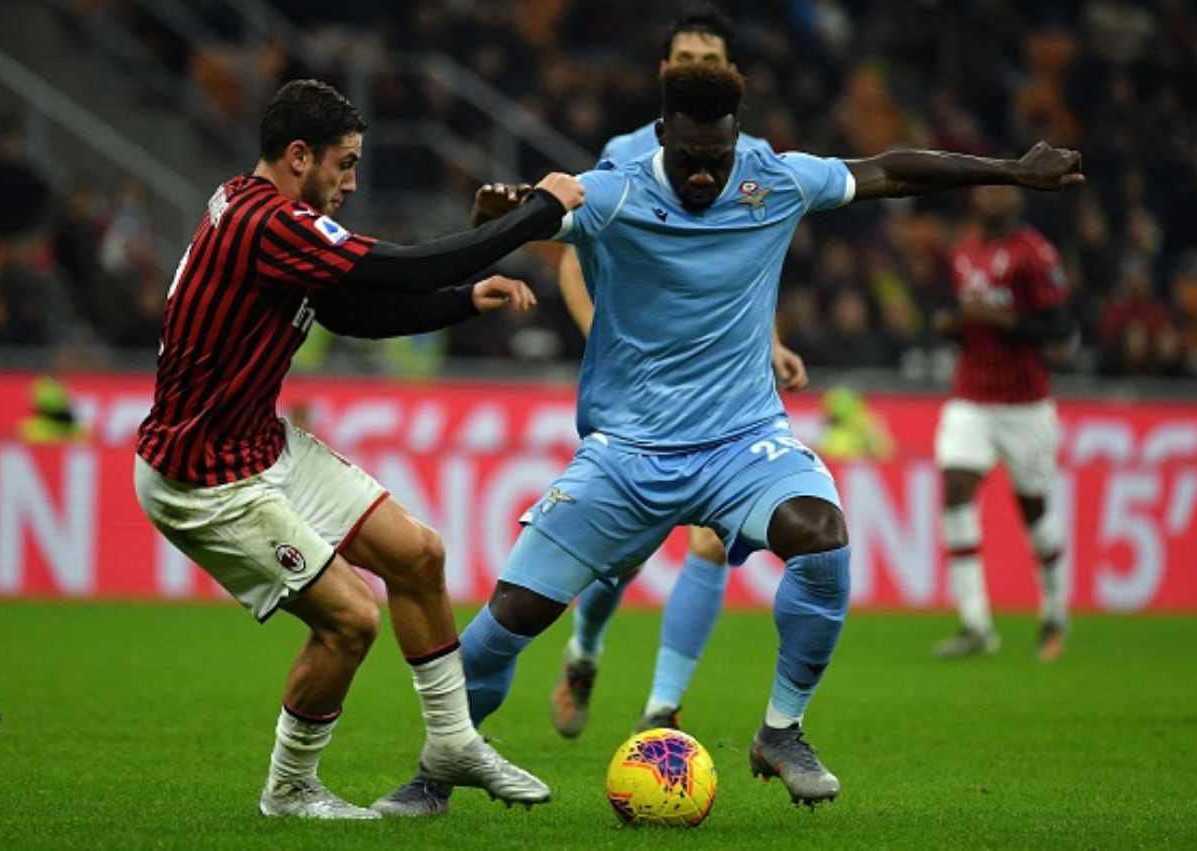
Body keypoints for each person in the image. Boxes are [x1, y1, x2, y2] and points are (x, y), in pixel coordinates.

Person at [382, 63, 1082, 814]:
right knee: (505, 624)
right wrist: (503, 214)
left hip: (741, 444)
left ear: (735, 138)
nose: (704, 175)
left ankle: (782, 729)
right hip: (626, 454)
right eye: (688, 159)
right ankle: (435, 772)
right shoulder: (615, 191)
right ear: (661, 136)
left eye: (717, 158)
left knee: (823, 535)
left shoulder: (773, 178)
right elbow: (539, 217)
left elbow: (891, 171)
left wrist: (1011, 170)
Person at [132, 79, 583, 820]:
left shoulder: (265, 215)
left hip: (256, 442)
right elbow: (401, 267)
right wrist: (543, 210)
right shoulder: (266, 223)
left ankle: (452, 743)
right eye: (343, 164)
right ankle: (289, 789)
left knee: (418, 554)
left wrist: (466, 300)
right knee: (351, 618)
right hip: (202, 475)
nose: (350, 182)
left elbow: (356, 312)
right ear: (298, 155)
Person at [551, 2, 810, 742]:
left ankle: (662, 706)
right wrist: (603, 334)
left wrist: (771, 342)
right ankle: (585, 648)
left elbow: (737, 277)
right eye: (687, 58)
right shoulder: (625, 151)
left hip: (725, 402)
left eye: (711, 60)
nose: (698, 69)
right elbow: (577, 255)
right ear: (666, 72)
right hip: (638, 397)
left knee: (707, 541)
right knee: (617, 560)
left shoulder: (753, 158)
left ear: (733, 76)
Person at [930, 185, 1075, 662]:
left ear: (1016, 201)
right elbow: (954, 314)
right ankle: (975, 623)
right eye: (987, 189)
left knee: (1033, 508)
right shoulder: (964, 251)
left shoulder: (1034, 253)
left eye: (1003, 190)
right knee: (954, 488)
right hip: (971, 397)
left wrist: (1001, 320)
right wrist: (952, 324)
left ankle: (1054, 609)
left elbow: (1060, 329)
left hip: (1025, 404)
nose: (993, 197)